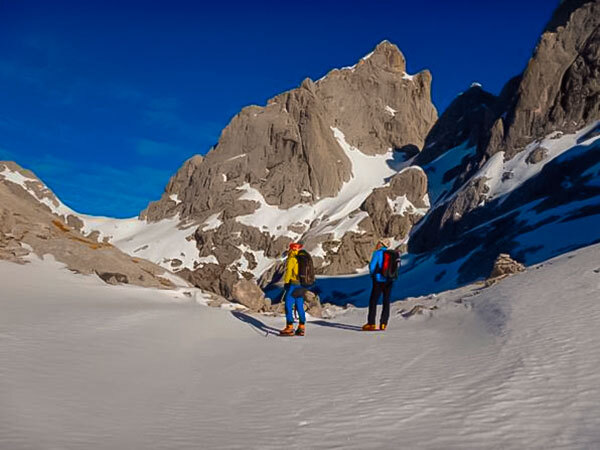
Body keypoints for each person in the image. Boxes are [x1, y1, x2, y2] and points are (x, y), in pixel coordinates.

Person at [363, 238, 394, 331]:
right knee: (386, 301)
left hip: (378, 279)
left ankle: (371, 323)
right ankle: (383, 323)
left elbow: (372, 266)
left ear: (382, 244)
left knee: (373, 301)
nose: (377, 243)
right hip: (389, 280)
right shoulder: (392, 254)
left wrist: (373, 274)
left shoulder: (377, 253)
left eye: (379, 242)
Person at [280, 242, 306, 336]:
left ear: (291, 249)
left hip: (293, 284)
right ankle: (301, 327)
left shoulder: (292, 259)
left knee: (288, 304)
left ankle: (289, 327)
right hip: (302, 285)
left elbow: (288, 273)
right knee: (299, 305)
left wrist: (286, 283)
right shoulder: (303, 258)